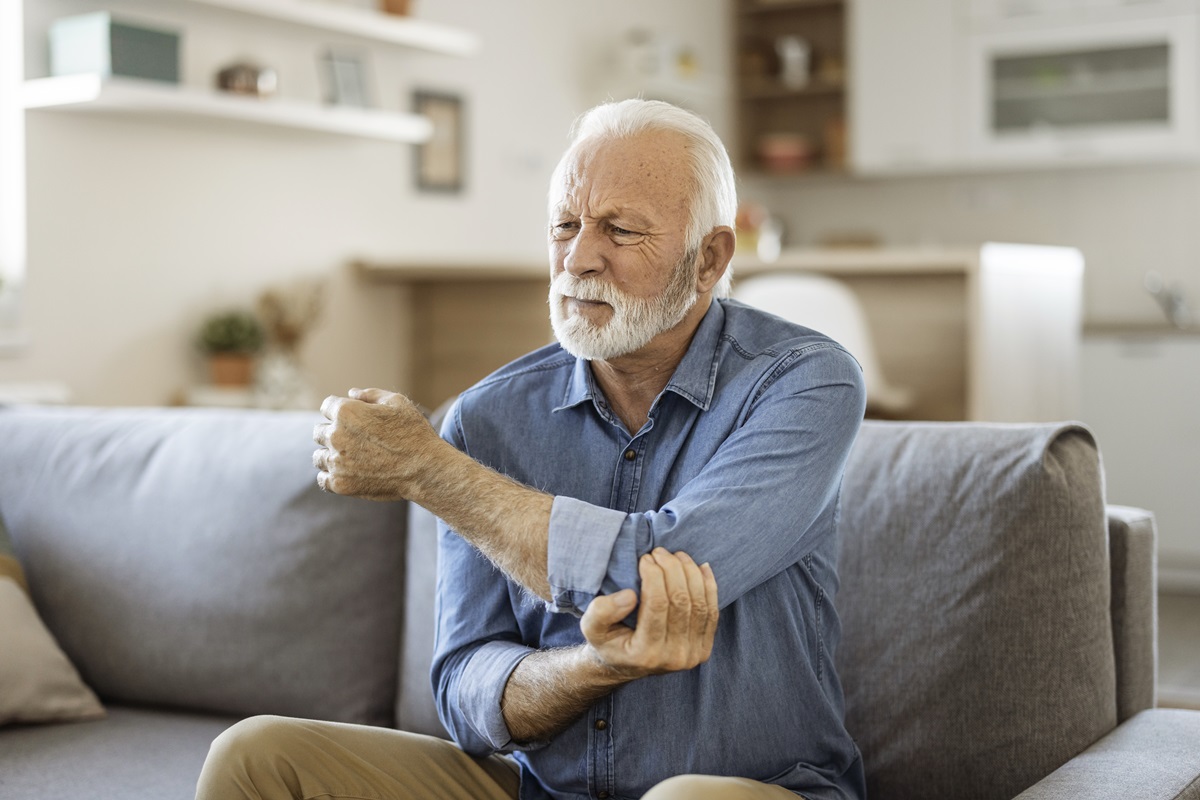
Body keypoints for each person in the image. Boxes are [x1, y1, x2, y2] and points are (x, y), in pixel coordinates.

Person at [196, 99, 867, 800]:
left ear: (710, 258)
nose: (578, 258)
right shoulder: (486, 418)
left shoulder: (803, 382)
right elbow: (464, 691)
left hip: (753, 789)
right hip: (539, 790)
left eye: (620, 229)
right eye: (565, 226)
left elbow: (649, 580)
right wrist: (594, 668)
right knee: (257, 756)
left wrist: (430, 471)